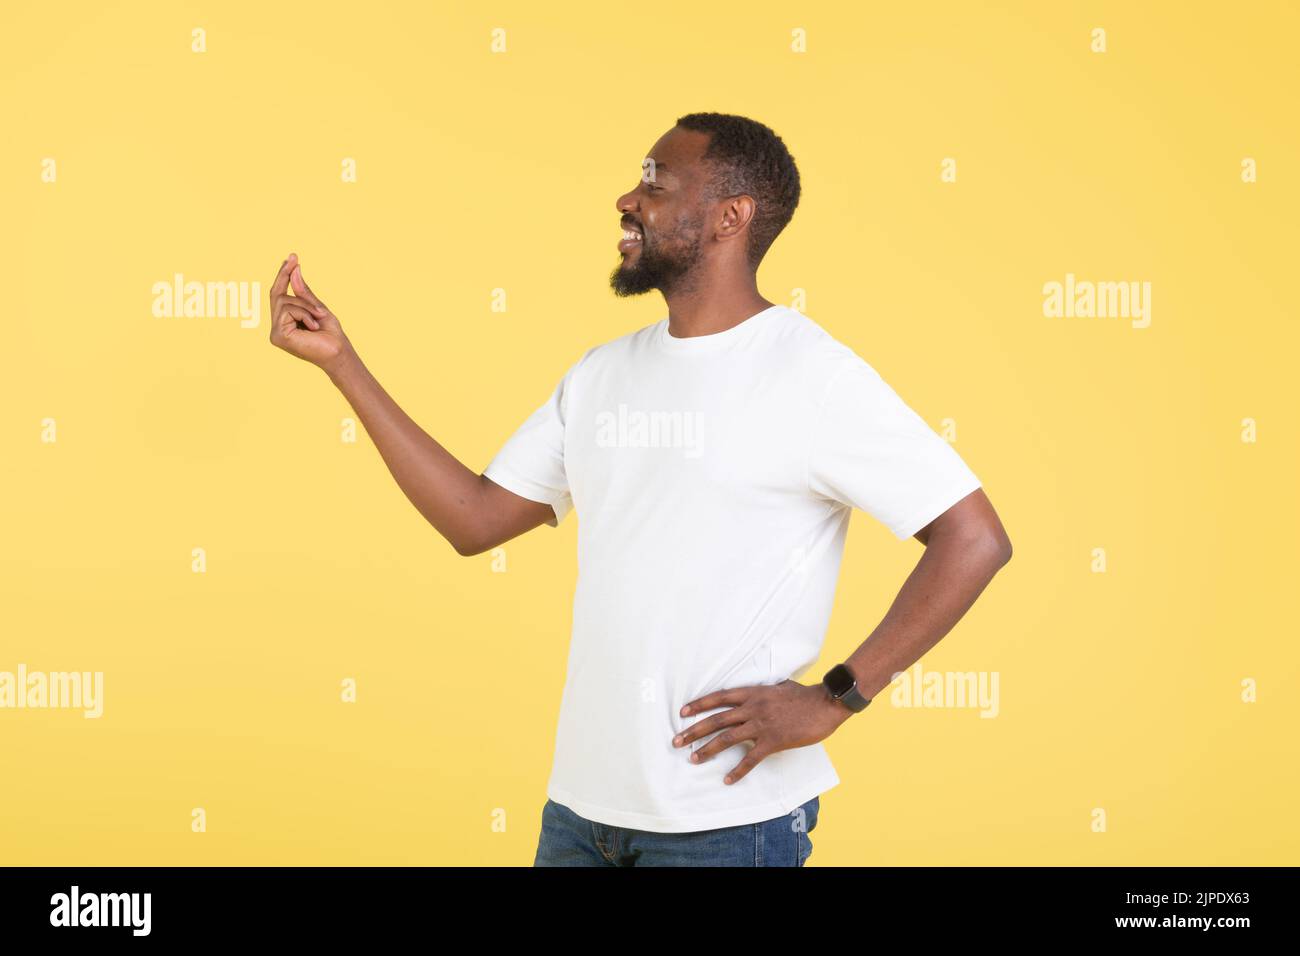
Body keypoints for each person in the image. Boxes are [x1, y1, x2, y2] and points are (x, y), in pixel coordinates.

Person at [268, 112, 1013, 867]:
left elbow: (975, 537)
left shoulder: (811, 375)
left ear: (731, 217)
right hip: (580, 816)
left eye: (655, 183)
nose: (627, 199)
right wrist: (342, 365)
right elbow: (473, 519)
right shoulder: (600, 375)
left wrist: (837, 695)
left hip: (728, 825)